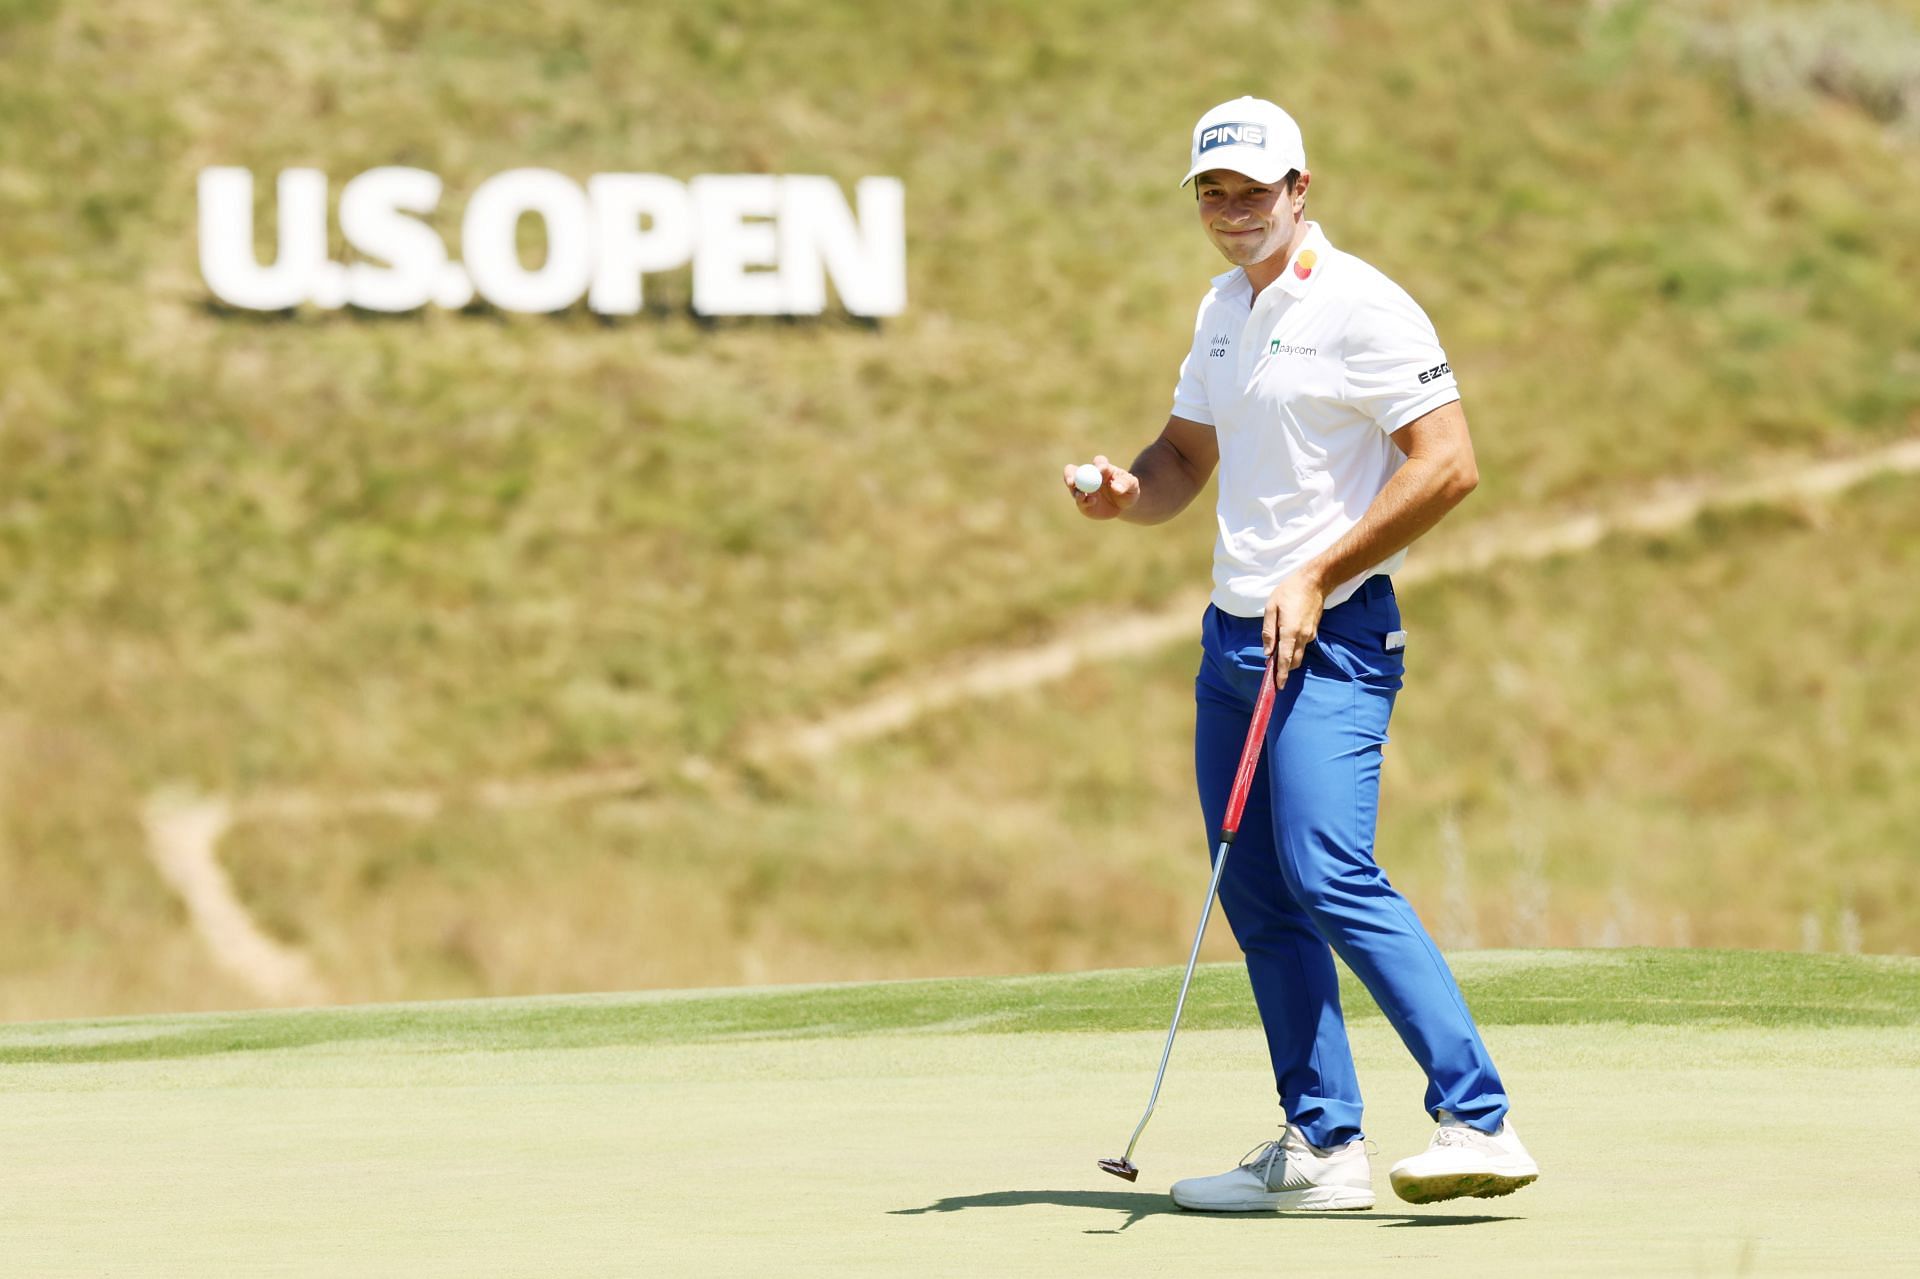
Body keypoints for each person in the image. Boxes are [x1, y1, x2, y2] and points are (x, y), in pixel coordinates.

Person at [1065, 96, 1539, 1211]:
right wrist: (1132, 495)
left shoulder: (1364, 308)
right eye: (1212, 193)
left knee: (1329, 868)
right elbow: (1185, 456)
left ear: (1301, 189)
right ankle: (1321, 1145)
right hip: (1235, 636)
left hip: (1332, 638)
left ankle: (1480, 1119)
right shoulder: (1223, 309)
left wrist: (1319, 572)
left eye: (1253, 189)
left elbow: (1450, 464)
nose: (1232, 211)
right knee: (1262, 891)